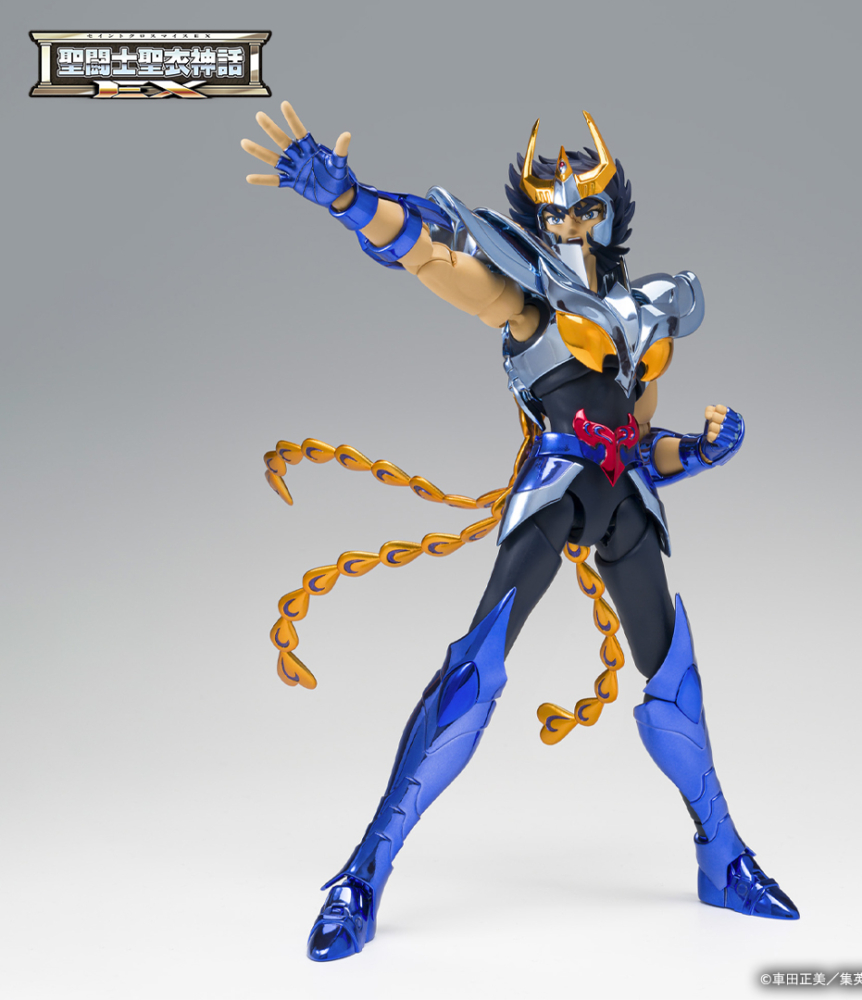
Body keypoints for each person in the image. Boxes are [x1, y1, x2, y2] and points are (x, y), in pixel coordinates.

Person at [242, 102, 799, 962]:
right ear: (535, 219)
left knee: (675, 682)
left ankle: (722, 859)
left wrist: (702, 450)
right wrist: (350, 200)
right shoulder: (529, 301)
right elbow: (434, 258)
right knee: (473, 672)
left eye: (586, 210)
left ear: (612, 214)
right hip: (557, 491)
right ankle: (363, 874)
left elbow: (643, 444)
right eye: (554, 213)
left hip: (625, 502)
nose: (570, 226)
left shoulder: (647, 317)